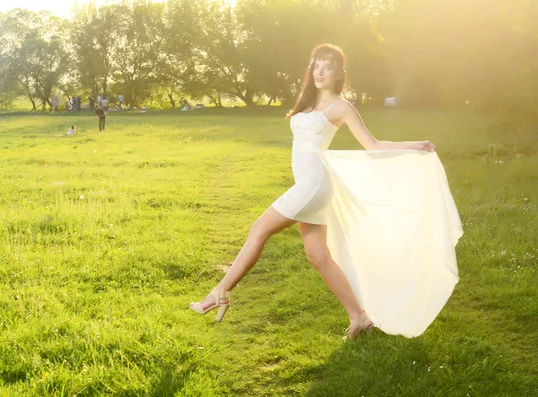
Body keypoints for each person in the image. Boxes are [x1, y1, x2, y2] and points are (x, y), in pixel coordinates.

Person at [189, 44, 463, 340]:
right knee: (318, 256)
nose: (319, 71)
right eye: (316, 65)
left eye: (327, 66)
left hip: (314, 184)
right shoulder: (307, 103)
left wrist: (413, 146)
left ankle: (220, 292)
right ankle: (359, 317)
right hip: (308, 185)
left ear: (339, 73)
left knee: (258, 229)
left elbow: (371, 144)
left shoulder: (341, 107)